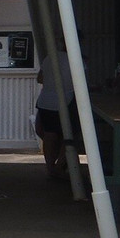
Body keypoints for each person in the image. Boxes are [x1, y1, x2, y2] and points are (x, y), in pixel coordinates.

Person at [35, 38, 79, 179]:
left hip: (46, 101)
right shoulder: (76, 60)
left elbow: (40, 78)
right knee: (69, 137)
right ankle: (59, 165)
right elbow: (80, 82)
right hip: (66, 101)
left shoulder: (49, 58)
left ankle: (50, 167)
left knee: (49, 135)